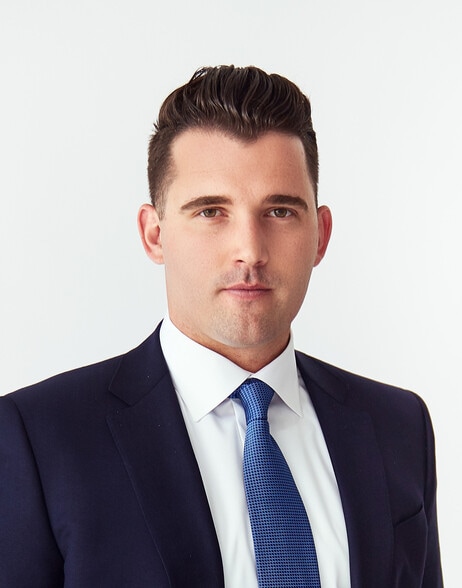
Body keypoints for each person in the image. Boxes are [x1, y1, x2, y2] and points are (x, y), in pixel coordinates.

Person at [0, 66, 442, 588]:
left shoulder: (399, 427)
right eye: (211, 211)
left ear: (320, 235)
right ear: (154, 234)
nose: (249, 251)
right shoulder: (39, 438)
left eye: (280, 211)